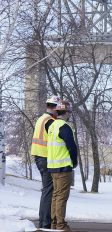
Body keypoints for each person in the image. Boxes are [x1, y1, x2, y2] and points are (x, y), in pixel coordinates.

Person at [46, 100, 78, 231]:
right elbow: (71, 147)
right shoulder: (64, 127)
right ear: (67, 112)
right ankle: (60, 224)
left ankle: (55, 222)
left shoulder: (52, 126)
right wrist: (74, 161)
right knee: (61, 197)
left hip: (53, 167)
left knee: (55, 195)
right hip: (63, 167)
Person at [31, 95, 60, 229]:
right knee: (48, 191)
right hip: (45, 158)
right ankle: (45, 223)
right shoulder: (50, 122)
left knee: (46, 190)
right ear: (54, 108)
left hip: (39, 157)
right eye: (58, 109)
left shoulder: (41, 119)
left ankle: (44, 222)